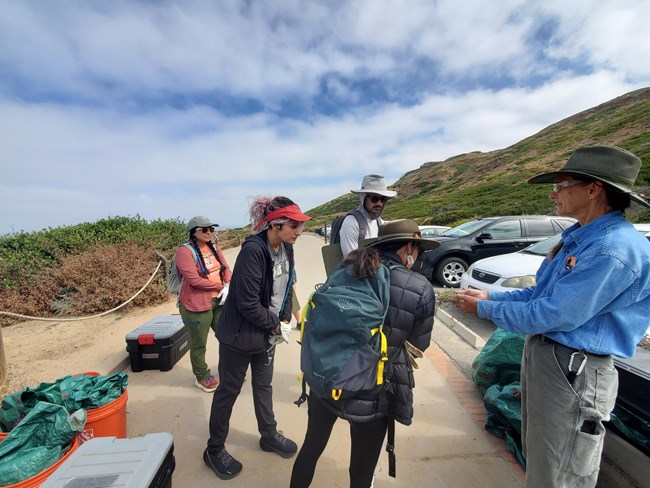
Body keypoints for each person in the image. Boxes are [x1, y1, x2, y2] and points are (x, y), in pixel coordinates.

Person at [454, 145, 650, 488]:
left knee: (560, 472)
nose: (552, 193)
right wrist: (490, 295)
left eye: (561, 185)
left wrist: (483, 308)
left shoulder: (611, 249)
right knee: (544, 460)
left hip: (574, 371)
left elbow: (554, 314)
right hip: (554, 364)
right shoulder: (579, 239)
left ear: (594, 189)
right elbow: (540, 293)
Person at [290, 219, 437, 488]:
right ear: (408, 247)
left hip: (327, 377)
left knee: (311, 448)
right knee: (361, 470)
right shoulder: (420, 288)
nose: (418, 257)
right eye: (419, 250)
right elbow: (418, 346)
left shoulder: (350, 268)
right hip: (375, 393)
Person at [203, 196, 312, 480]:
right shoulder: (253, 250)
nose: (299, 232)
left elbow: (288, 285)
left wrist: (285, 316)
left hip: (266, 334)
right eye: (294, 226)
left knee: (264, 386)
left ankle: (268, 435)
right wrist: (276, 325)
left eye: (300, 226)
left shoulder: (287, 248)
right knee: (229, 390)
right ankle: (214, 449)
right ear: (275, 225)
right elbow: (247, 303)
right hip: (239, 337)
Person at [175, 216, 232, 393]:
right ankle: (202, 376)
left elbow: (225, 268)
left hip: (218, 301)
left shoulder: (213, 247)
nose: (209, 232)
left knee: (227, 337)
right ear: (194, 232)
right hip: (196, 305)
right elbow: (193, 280)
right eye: (205, 229)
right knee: (199, 344)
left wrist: (228, 284)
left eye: (211, 229)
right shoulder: (184, 252)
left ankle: (227, 370)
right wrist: (220, 286)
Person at [339, 174, 397, 257]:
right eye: (375, 199)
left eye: (383, 199)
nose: (379, 203)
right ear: (364, 198)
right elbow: (351, 261)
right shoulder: (351, 222)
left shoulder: (379, 222)